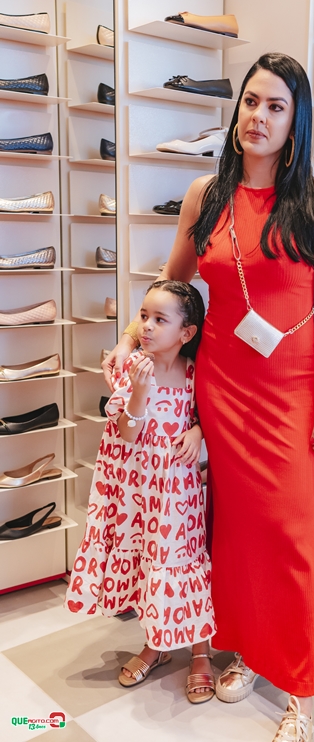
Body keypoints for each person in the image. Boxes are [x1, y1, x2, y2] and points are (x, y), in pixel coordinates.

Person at [103, 53, 314, 741]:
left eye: (276, 106)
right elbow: (173, 284)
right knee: (233, 531)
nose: (258, 117)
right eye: (250, 101)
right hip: (221, 387)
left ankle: (299, 689)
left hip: (292, 388)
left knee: (290, 534)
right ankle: (243, 649)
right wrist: (129, 338)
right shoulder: (205, 195)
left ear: (296, 120)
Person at [65, 280, 217, 704]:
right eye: (144, 316)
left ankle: (201, 652)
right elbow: (127, 432)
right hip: (137, 493)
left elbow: (206, 414)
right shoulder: (131, 366)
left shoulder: (195, 371)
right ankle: (156, 643)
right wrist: (140, 391)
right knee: (149, 565)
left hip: (178, 494)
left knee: (183, 562)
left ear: (186, 333)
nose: (145, 326)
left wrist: (198, 431)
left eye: (159, 320)